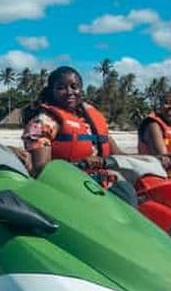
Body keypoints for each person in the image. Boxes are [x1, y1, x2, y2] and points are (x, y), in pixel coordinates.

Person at [21, 66, 135, 202]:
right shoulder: (42, 123)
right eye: (61, 88)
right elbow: (41, 169)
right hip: (67, 188)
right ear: (52, 91)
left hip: (101, 184)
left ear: (81, 89)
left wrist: (151, 159)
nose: (69, 92)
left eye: (74, 87)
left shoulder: (89, 121)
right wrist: (81, 164)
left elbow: (117, 154)